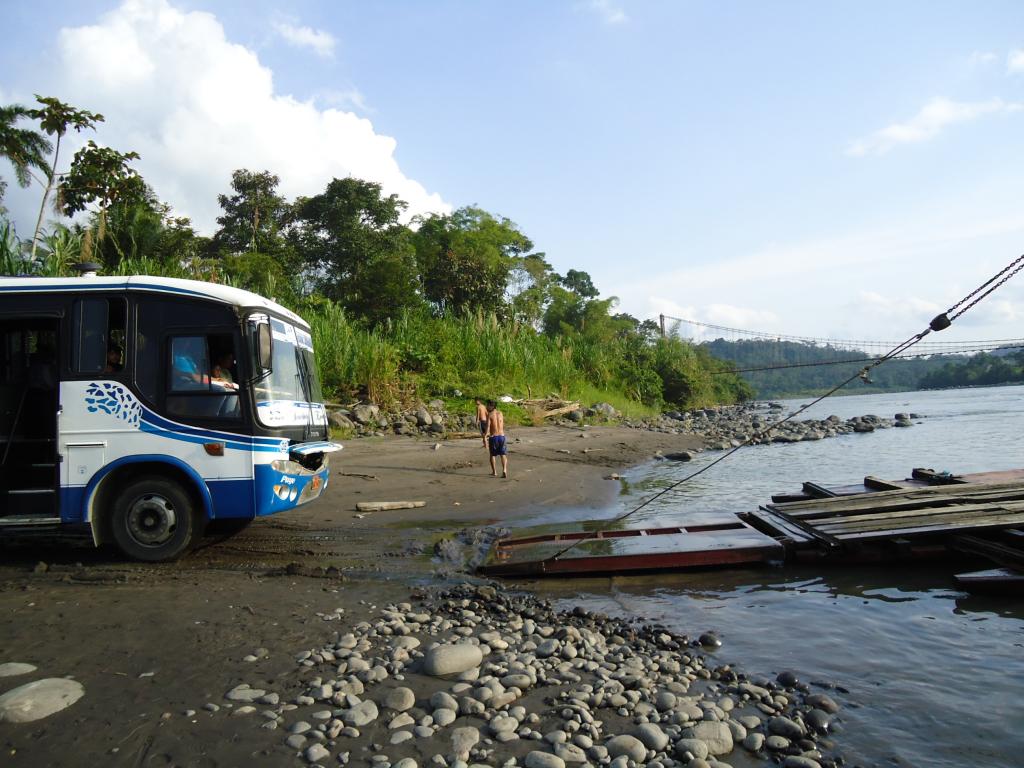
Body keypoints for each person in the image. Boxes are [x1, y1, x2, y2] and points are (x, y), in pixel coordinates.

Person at [484, 399, 508, 478]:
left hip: (494, 437)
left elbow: (487, 428)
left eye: (487, 405)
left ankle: (494, 472)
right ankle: (504, 470)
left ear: (492, 406)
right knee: (503, 454)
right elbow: (501, 424)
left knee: (492, 455)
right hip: (502, 436)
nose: (486, 407)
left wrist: (484, 437)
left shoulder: (490, 415)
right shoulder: (500, 413)